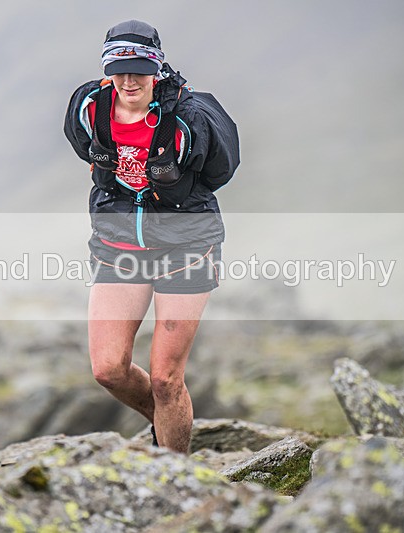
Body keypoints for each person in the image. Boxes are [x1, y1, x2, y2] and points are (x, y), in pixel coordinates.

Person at [64, 20, 239, 453]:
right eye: (119, 69)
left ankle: (177, 478)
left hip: (187, 246)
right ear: (106, 69)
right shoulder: (90, 106)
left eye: (140, 68)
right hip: (119, 245)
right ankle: (165, 421)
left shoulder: (189, 117)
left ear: (156, 67)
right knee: (108, 369)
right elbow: (84, 149)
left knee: (165, 378)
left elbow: (218, 172)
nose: (129, 79)